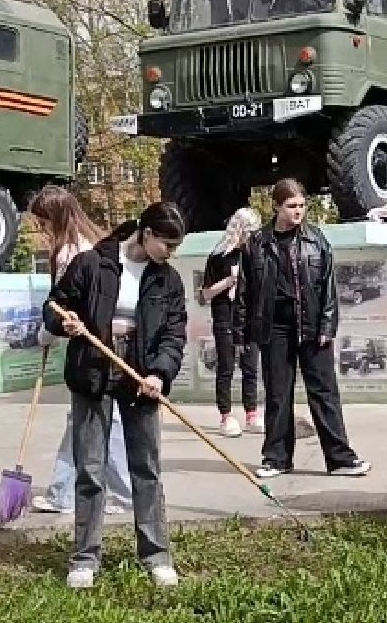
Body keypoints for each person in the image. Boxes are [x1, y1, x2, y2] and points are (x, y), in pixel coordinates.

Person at [44, 201, 189, 590]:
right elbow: (54, 305)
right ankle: (85, 559)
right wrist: (65, 321)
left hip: (141, 374)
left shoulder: (168, 280)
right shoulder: (93, 264)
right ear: (146, 233)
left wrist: (159, 373)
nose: (170, 253)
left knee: (147, 468)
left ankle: (156, 555)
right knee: (90, 468)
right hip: (94, 367)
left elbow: (174, 334)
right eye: (167, 244)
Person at [242, 179, 370, 479]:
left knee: (324, 394)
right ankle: (276, 458)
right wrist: (243, 333)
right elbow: (246, 293)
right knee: (277, 395)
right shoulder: (256, 243)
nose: (298, 212)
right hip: (274, 329)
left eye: (301, 206)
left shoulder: (316, 240)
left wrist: (327, 324)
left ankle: (340, 458)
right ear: (276, 207)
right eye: (291, 206)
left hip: (312, 327)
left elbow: (329, 288)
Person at [25, 185, 132, 516]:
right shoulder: (92, 245)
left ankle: (113, 492)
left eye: (43, 223)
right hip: (101, 342)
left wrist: (47, 331)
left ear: (55, 219)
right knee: (89, 421)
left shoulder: (72, 253)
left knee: (95, 420)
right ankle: (75, 491)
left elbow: (69, 305)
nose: (41, 232)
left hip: (96, 348)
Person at [201, 206, 263, 437]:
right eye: (248, 231)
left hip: (248, 317)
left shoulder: (254, 255)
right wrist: (229, 281)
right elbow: (205, 293)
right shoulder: (219, 256)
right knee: (226, 366)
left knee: (250, 367)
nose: (251, 236)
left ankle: (252, 414)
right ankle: (225, 416)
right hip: (225, 316)